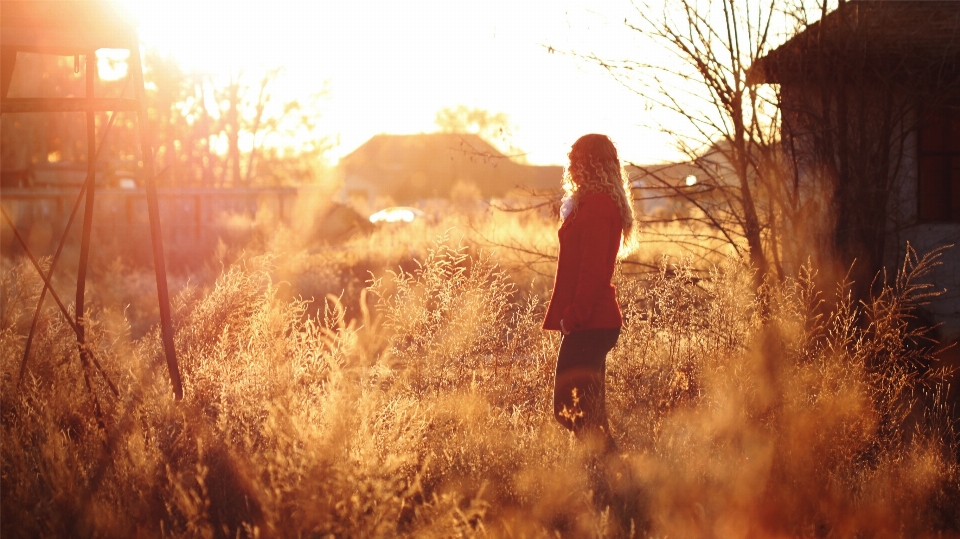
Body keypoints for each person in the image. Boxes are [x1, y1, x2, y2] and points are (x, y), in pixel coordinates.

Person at [542, 133, 635, 454]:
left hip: (591, 321)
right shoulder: (593, 203)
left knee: (571, 409)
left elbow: (593, 271)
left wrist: (573, 316)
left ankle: (610, 470)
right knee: (587, 411)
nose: (571, 165)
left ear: (592, 163)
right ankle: (608, 475)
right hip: (593, 322)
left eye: (576, 159)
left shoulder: (596, 206)